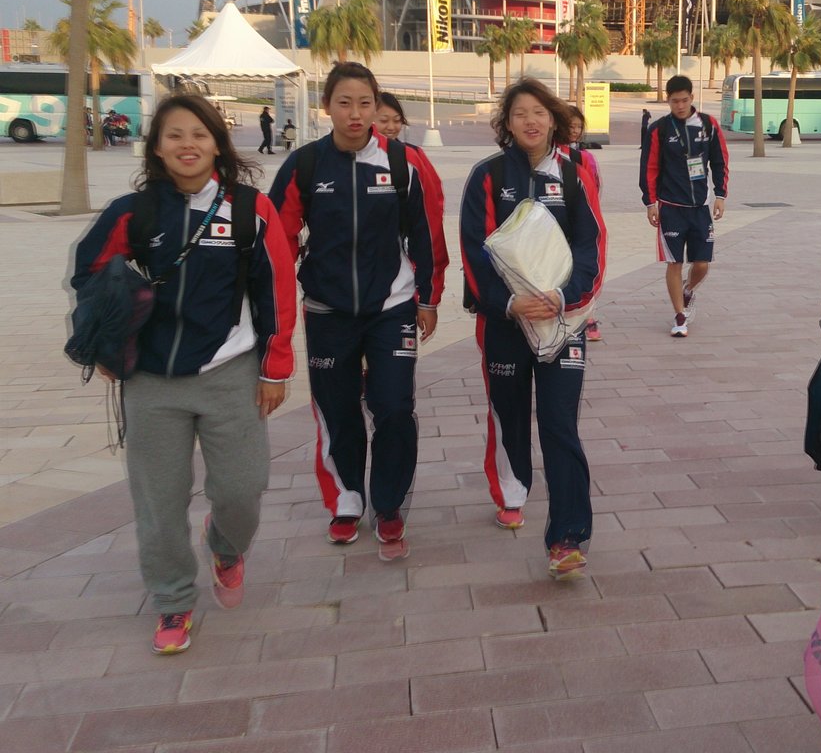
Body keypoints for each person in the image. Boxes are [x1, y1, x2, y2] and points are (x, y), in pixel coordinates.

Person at [69, 93, 296, 655]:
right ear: (157, 148)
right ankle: (172, 599)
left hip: (229, 372)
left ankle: (225, 546)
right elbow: (88, 273)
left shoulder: (249, 210)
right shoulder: (133, 212)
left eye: (199, 133)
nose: (187, 144)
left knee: (243, 488)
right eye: (174, 135)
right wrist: (107, 336)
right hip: (150, 381)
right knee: (159, 501)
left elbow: (276, 289)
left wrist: (275, 368)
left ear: (217, 143)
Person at [268, 62, 448, 557]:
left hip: (393, 306)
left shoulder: (403, 162)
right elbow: (277, 243)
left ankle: (388, 504)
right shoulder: (305, 165)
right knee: (338, 409)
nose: (355, 113)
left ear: (376, 106)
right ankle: (346, 499)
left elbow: (427, 232)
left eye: (365, 103)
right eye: (344, 103)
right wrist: (275, 311)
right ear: (326, 106)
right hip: (327, 311)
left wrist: (428, 298)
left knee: (394, 407)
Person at [460, 77, 606, 579]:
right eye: (520, 113)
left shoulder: (574, 177)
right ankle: (512, 490)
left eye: (539, 112)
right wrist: (508, 303)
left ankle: (567, 537)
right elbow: (473, 251)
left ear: (553, 119)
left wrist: (564, 298)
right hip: (504, 323)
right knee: (509, 414)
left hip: (562, 322)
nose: (531, 121)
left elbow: (591, 247)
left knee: (560, 423)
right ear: (507, 122)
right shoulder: (487, 176)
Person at [639, 74, 729, 337]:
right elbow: (649, 168)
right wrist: (650, 203)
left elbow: (720, 161)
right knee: (674, 262)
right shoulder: (659, 129)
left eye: (684, 100)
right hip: (670, 208)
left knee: (702, 264)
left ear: (692, 98)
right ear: (668, 100)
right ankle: (679, 316)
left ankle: (688, 290)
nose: (680, 105)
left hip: (700, 208)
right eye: (675, 101)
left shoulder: (708, 124)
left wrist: (720, 195)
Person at [563, 105, 603, 342]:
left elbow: (594, 189)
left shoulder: (585, 158)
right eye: (571, 126)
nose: (575, 131)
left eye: (579, 126)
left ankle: (588, 317)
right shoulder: (547, 154)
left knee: (583, 268)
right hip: (556, 225)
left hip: (579, 223)